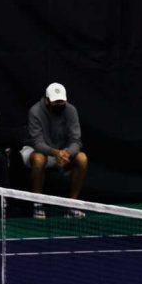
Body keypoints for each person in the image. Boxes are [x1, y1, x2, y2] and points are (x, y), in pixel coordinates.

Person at [23, 82, 89, 214]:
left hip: (62, 153)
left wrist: (66, 153)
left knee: (82, 158)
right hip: (35, 151)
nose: (59, 104)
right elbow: (37, 143)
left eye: (61, 101)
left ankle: (72, 205)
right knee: (39, 159)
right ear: (47, 100)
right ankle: (37, 205)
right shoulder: (35, 111)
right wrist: (56, 153)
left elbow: (76, 140)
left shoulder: (71, 110)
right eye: (55, 102)